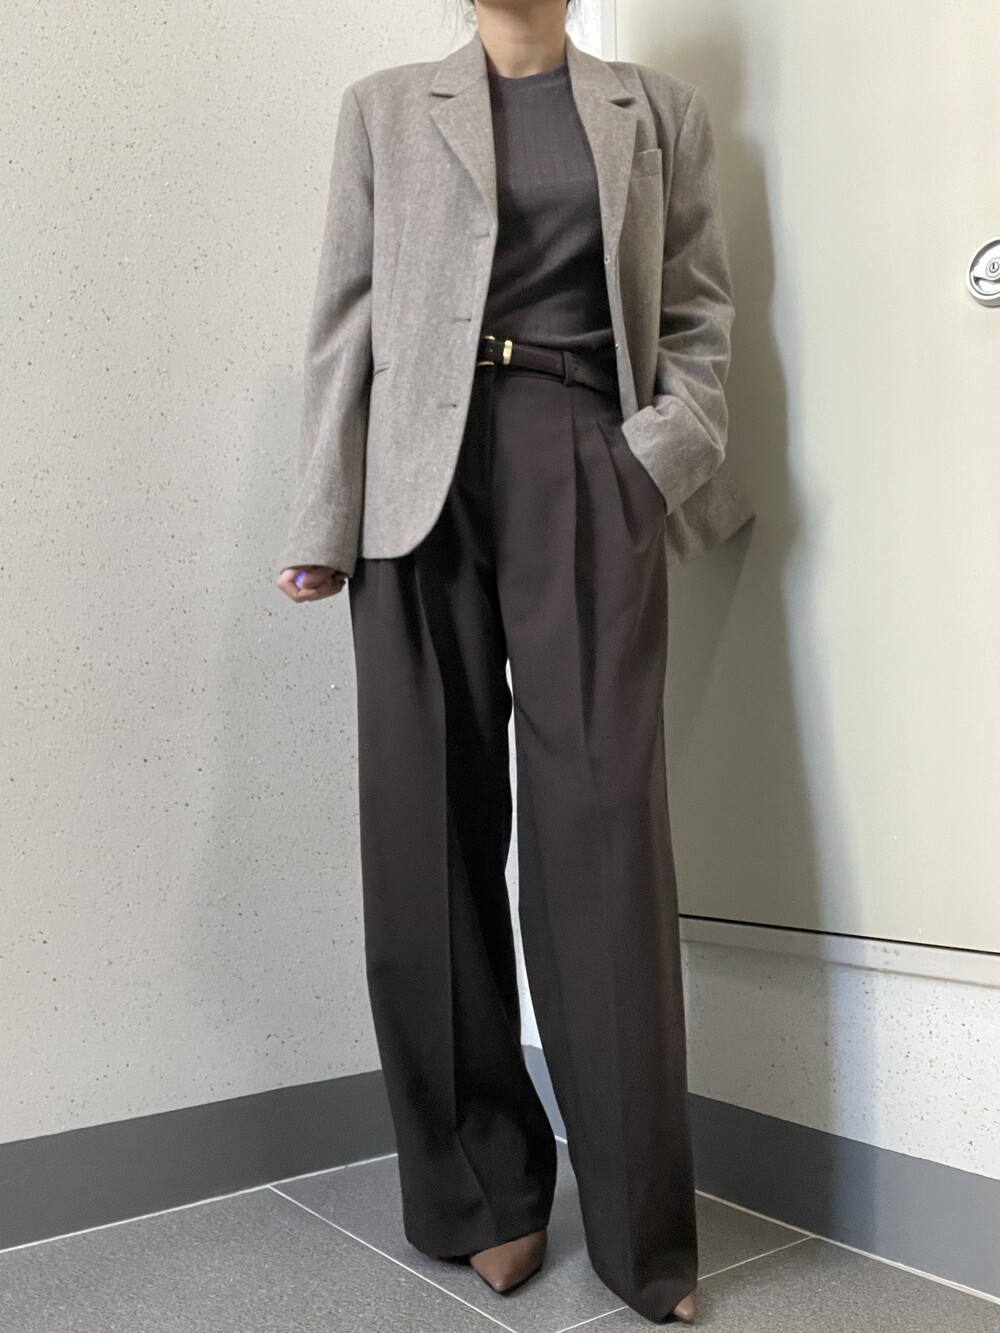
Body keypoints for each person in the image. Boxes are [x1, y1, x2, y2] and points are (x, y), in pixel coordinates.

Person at [277, 0, 747, 1323]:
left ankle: (641, 1229)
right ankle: (482, 1193)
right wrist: (321, 520)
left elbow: (700, 314)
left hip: (585, 457)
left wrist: (656, 458)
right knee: (422, 836)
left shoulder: (658, 112)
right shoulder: (383, 109)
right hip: (414, 486)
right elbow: (346, 319)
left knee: (603, 832)